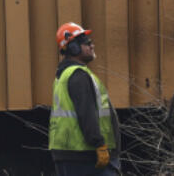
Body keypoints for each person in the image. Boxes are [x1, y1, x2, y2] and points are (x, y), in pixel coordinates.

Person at [48, 22, 121, 175]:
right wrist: (99, 144)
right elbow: (87, 113)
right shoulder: (78, 75)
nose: (92, 46)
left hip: (68, 153)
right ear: (73, 48)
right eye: (87, 43)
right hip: (84, 155)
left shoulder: (63, 75)